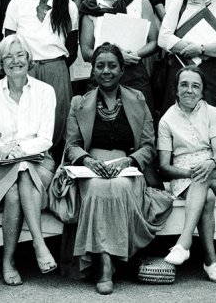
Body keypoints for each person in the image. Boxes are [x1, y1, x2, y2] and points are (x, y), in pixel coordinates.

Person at [65, 43, 173, 295]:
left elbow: (148, 146)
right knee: (96, 188)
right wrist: (87, 161)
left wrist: (129, 161)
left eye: (112, 65)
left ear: (122, 69)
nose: (106, 71)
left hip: (128, 169)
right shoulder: (79, 102)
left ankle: (108, 259)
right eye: (100, 65)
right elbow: (72, 145)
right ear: (92, 70)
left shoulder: (137, 100)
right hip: (90, 169)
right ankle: (103, 262)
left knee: (120, 186)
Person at [0, 34, 58, 286]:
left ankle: (9, 260)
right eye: (8, 57)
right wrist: (2, 150)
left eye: (20, 55)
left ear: (28, 58)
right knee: (17, 178)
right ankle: (39, 245)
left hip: (39, 161)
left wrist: (19, 149)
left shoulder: (45, 91)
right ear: (0, 63)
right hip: (1, 164)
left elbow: (46, 139)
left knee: (22, 176)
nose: (15, 61)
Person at [157, 66, 216, 282]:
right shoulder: (167, 120)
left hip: (215, 171)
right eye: (184, 85)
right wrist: (189, 172)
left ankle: (184, 241)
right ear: (176, 89)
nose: (190, 90)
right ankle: (211, 261)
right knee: (205, 196)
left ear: (202, 91)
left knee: (204, 175)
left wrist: (208, 163)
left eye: (195, 86)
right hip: (183, 176)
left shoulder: (213, 113)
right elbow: (164, 166)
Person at [4, 0, 78, 162]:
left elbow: (72, 49)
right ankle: (24, 160)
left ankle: (51, 165)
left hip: (57, 69)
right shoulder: (17, 5)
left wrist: (55, 68)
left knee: (57, 121)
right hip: (25, 70)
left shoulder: (69, 7)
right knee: (25, 118)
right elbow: (9, 43)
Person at [79, 0, 157, 114]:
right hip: (101, 75)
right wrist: (114, 58)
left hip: (134, 73)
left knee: (140, 122)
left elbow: (154, 42)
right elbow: (85, 51)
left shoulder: (139, 1)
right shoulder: (91, 6)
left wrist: (134, 55)